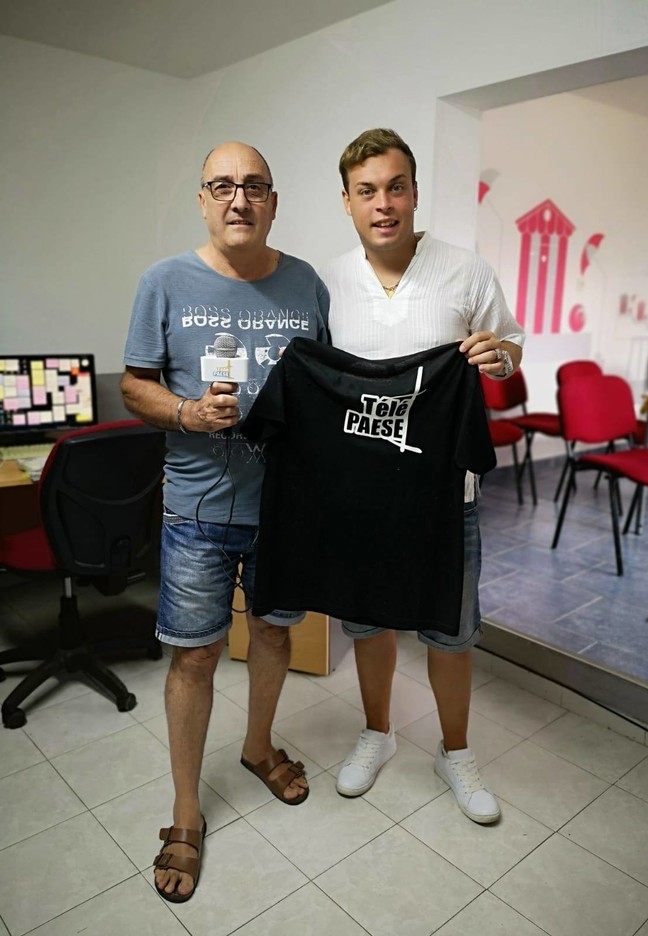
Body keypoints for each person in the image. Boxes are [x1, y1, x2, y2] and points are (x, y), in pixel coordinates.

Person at [121, 141, 329, 902]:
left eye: (254, 186)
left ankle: (257, 747)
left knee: (272, 634)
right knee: (196, 658)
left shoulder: (306, 284)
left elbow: (326, 385)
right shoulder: (164, 281)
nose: (239, 199)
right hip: (197, 508)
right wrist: (187, 412)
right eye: (223, 186)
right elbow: (133, 384)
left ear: (273, 201)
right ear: (203, 199)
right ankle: (186, 810)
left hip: (283, 507)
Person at [321, 128, 524, 824]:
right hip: (363, 493)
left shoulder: (465, 271)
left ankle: (455, 750)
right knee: (367, 623)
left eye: (395, 187)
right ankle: (377, 732)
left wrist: (499, 357)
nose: (383, 204)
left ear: (413, 192)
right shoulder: (329, 283)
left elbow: (510, 346)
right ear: (347, 202)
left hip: (446, 494)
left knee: (452, 631)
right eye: (367, 191)